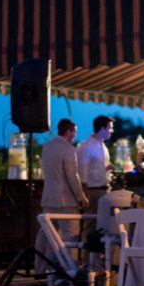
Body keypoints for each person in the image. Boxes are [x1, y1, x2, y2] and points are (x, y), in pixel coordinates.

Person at [34, 118, 88, 276]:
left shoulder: (47, 147)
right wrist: (81, 197)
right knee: (71, 236)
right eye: (75, 132)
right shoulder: (68, 149)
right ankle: (70, 271)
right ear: (69, 131)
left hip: (49, 198)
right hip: (66, 201)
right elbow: (73, 176)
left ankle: (40, 269)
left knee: (45, 236)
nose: (76, 135)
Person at [77, 115, 114, 232]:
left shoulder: (103, 146)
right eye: (110, 128)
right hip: (93, 190)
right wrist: (84, 192)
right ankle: (89, 250)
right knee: (92, 224)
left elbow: (98, 166)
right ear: (102, 128)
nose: (112, 131)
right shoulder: (87, 145)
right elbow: (82, 169)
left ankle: (99, 250)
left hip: (104, 189)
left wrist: (108, 167)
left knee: (102, 224)